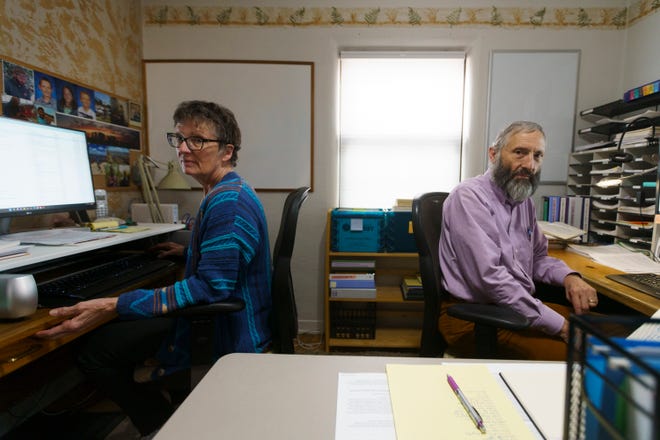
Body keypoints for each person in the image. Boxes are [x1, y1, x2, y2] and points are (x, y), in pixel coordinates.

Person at [37, 100, 273, 437]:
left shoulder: (228, 202)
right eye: (179, 139)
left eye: (197, 140)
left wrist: (113, 303)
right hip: (222, 318)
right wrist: (185, 252)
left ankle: (160, 425)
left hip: (227, 330)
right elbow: (224, 258)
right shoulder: (224, 191)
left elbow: (211, 288)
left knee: (94, 352)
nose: (183, 148)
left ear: (226, 151)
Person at [439, 120, 598, 361]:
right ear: (493, 154)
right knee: (587, 360)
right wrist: (561, 326)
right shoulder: (469, 197)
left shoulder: (524, 202)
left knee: (614, 333)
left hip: (515, 308)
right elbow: (490, 279)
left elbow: (538, 259)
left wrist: (570, 277)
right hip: (474, 319)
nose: (529, 165)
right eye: (520, 153)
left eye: (538, 155)